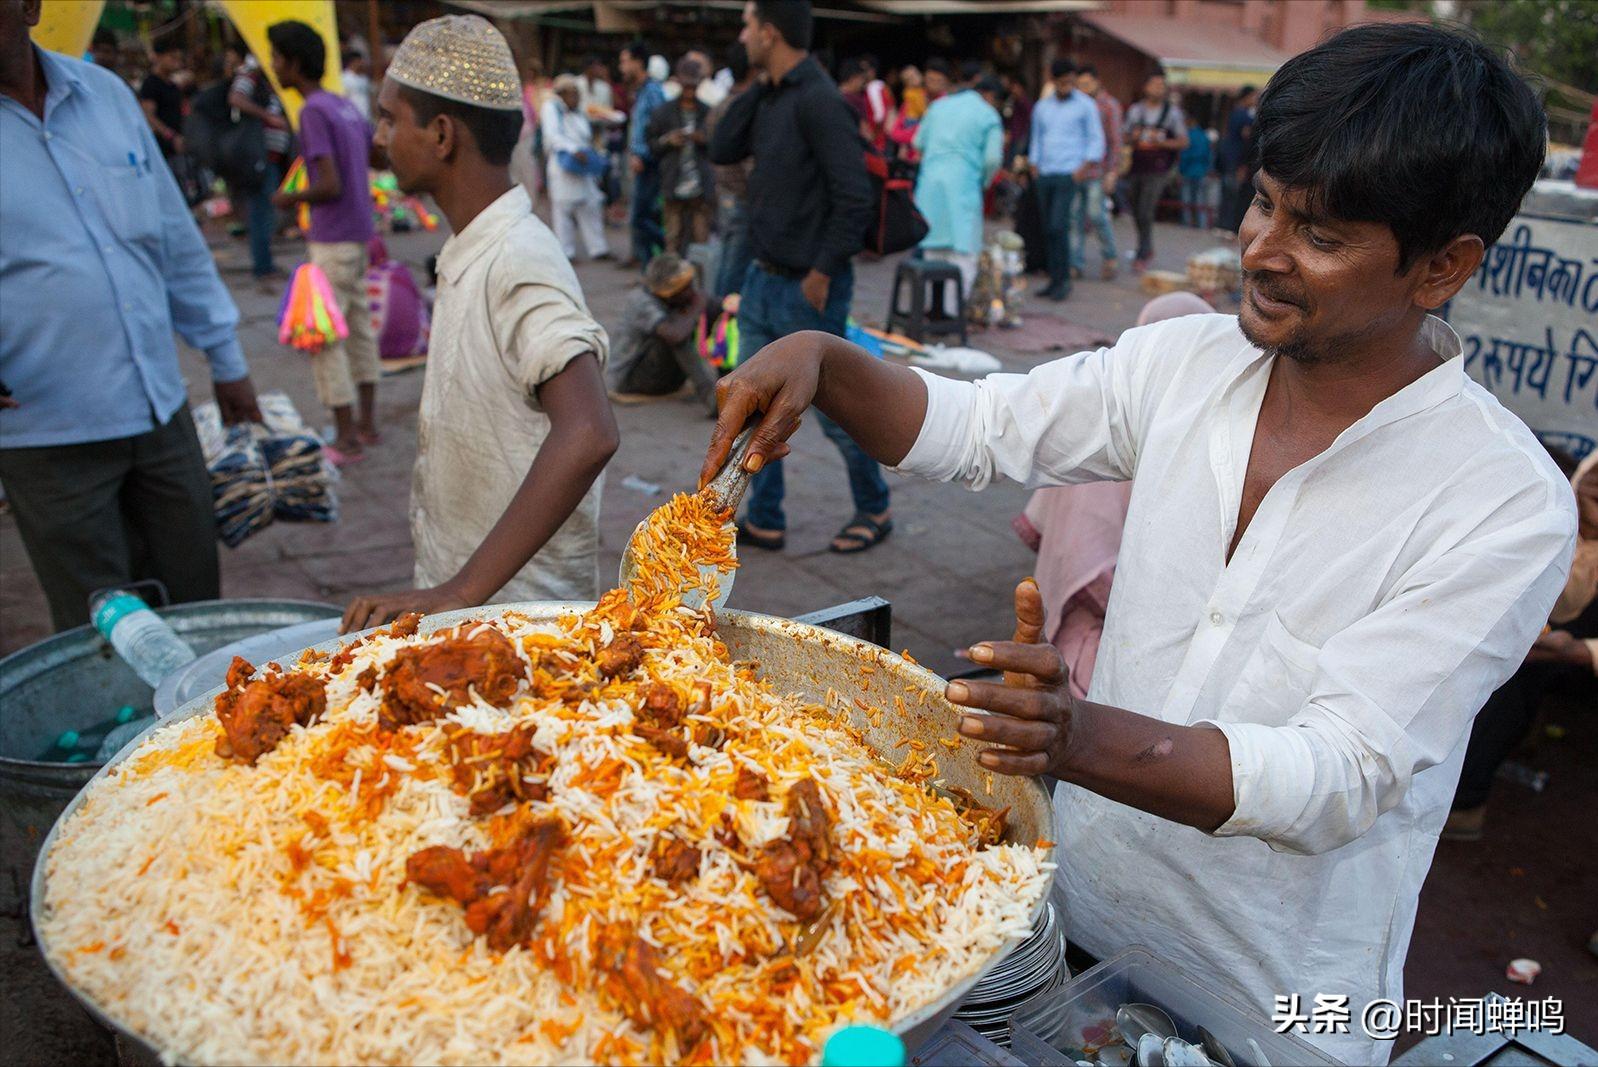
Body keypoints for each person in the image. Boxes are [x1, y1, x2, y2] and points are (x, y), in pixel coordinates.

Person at [701, 24, 1569, 1064]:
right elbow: (979, 427)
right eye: (1262, 201)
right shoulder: (1183, 362)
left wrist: (1074, 737)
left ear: (1442, 265)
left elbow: (1342, 770)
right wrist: (824, 359)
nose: (1259, 249)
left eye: (1319, 234)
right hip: (1073, 913)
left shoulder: (1500, 500)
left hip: (1278, 997)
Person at [346, 14, 617, 630]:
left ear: (442, 135)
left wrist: (461, 589)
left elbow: (590, 431)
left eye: (391, 118)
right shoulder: (478, 245)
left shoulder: (519, 255)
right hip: (477, 610)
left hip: (521, 621)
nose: (379, 134)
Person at [0, 0, 261, 631]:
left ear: (30, 6)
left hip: (159, 412)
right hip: (47, 435)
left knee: (197, 609)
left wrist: (226, 360)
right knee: (104, 634)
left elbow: (174, 239)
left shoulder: (107, 96)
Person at [708, 0, 888, 555]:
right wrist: (762, 83)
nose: (741, 36)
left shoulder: (821, 101)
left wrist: (823, 270)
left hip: (807, 286)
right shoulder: (774, 96)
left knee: (832, 409)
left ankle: (874, 506)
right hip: (763, 278)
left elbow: (853, 196)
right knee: (753, 404)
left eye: (746, 26)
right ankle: (764, 517)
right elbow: (721, 146)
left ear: (769, 31)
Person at [1013, 293, 1213, 697]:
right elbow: (1088, 565)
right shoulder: (1121, 437)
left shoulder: (1184, 427)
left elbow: (1038, 528)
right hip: (1091, 645)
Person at [1445, 449, 1597, 839]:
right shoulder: (1565, 501)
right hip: (1558, 617)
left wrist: (1583, 652)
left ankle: (1464, 800)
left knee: (1521, 669)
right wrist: (1583, 529)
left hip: (1580, 645)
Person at [267, 20, 380, 466]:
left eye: (277, 58)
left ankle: (347, 436)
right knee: (360, 332)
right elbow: (374, 154)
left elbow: (328, 184)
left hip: (332, 238)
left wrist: (287, 196)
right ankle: (366, 425)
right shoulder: (343, 105)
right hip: (359, 233)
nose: (274, 66)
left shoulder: (313, 110)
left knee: (326, 338)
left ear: (293, 64)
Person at [912, 68, 1003, 307]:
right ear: (989, 95)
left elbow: (917, 142)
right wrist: (982, 180)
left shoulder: (938, 106)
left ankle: (931, 309)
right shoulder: (987, 114)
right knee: (963, 254)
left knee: (933, 249)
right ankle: (953, 313)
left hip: (931, 184)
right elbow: (993, 159)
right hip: (963, 183)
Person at [1026, 59, 1103, 301]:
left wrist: (1082, 168)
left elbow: (1095, 139)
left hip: (1068, 173)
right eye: (1062, 82)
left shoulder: (1086, 106)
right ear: (1054, 81)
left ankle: (1063, 280)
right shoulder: (1042, 107)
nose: (1066, 86)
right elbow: (1037, 138)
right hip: (1045, 172)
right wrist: (1033, 164)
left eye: (1070, 82)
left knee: (1059, 226)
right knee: (1047, 228)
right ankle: (1053, 278)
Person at [607, 253, 721, 415]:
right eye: (686, 289)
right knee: (676, 337)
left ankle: (729, 383)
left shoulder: (674, 298)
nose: (692, 292)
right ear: (669, 293)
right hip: (631, 378)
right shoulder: (641, 302)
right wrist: (696, 309)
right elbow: (674, 335)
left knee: (710, 310)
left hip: (657, 371)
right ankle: (711, 398)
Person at [227, 43, 290, 280]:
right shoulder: (251, 74)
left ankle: (265, 263)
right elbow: (236, 98)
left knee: (265, 210)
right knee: (261, 210)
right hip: (259, 157)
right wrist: (268, 118)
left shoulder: (265, 80)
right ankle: (262, 266)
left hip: (271, 156)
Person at [1122, 70, 1187, 272]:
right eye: (1155, 85)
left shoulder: (1172, 113)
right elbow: (1124, 136)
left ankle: (1143, 251)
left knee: (1146, 209)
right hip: (1136, 166)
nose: (1158, 89)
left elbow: (1183, 141)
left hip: (1159, 168)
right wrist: (1136, 137)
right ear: (1146, 87)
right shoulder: (1136, 111)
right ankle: (1145, 246)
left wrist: (1162, 142)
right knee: (1135, 207)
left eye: (1162, 85)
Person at [648, 56, 713, 257]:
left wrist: (704, 139)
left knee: (701, 244)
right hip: (672, 184)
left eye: (693, 86)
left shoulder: (707, 112)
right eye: (686, 86)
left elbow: (719, 147)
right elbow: (651, 145)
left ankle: (699, 286)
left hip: (700, 188)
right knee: (673, 242)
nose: (690, 92)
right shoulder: (664, 112)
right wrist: (668, 140)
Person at [541, 73, 609, 261]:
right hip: (564, 165)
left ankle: (598, 248)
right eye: (573, 93)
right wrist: (572, 150)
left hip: (583, 165)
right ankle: (566, 252)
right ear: (563, 93)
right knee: (563, 210)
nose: (577, 97)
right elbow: (552, 136)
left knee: (591, 205)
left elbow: (585, 135)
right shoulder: (552, 108)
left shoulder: (578, 112)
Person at [707, 42, 755, 298]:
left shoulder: (721, 105)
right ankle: (721, 324)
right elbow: (749, 164)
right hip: (741, 196)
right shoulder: (745, 106)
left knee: (727, 262)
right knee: (733, 271)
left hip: (724, 192)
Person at [1070, 64, 1121, 282]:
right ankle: (1075, 263)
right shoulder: (1075, 104)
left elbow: (1115, 141)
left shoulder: (1108, 106)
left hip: (1097, 173)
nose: (1082, 88)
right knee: (1074, 218)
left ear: (1097, 82)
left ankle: (1110, 256)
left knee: (1096, 215)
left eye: (1086, 83)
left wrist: (1112, 172)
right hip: (1075, 170)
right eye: (1079, 84)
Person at [619, 40, 665, 268]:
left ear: (639, 63)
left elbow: (658, 128)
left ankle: (668, 253)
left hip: (649, 164)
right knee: (641, 218)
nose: (622, 67)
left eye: (625, 61)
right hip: (641, 162)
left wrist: (643, 154)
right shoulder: (641, 92)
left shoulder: (652, 91)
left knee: (640, 218)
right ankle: (651, 268)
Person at [139, 35, 186, 161]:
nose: (176, 62)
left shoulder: (173, 86)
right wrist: (170, 136)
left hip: (177, 146)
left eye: (179, 59)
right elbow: (149, 116)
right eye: (172, 58)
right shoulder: (151, 84)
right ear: (158, 57)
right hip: (161, 148)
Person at [1217, 85, 1257, 233]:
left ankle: (1222, 224)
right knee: (1235, 194)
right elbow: (1246, 136)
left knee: (1227, 192)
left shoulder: (1234, 112)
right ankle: (1229, 225)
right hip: (1237, 159)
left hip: (1229, 158)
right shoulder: (1245, 116)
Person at [1177, 112, 1213, 228]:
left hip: (1188, 171)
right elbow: (1208, 155)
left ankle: (1187, 223)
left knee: (1186, 199)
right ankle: (1201, 225)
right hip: (1201, 171)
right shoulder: (1204, 136)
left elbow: (1184, 155)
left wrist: (1181, 170)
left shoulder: (1187, 136)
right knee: (1200, 200)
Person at [341, 49, 371, 119]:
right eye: (359, 61)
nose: (362, 63)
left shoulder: (364, 79)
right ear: (353, 62)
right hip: (351, 116)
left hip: (365, 116)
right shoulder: (344, 78)